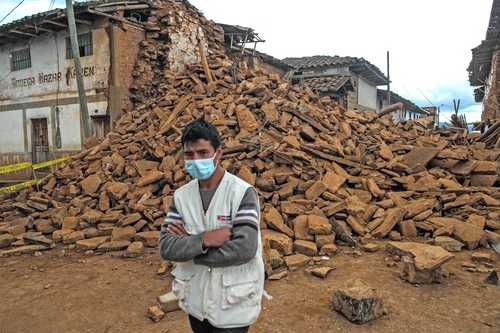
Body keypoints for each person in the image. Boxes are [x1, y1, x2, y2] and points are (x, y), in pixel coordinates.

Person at [159, 118, 264, 333]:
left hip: (233, 304)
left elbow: (244, 249)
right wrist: (204, 240)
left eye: (203, 153)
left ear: (219, 153)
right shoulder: (181, 197)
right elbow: (167, 246)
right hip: (196, 301)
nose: (196, 159)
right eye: (189, 154)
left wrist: (191, 246)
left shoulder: (242, 193)